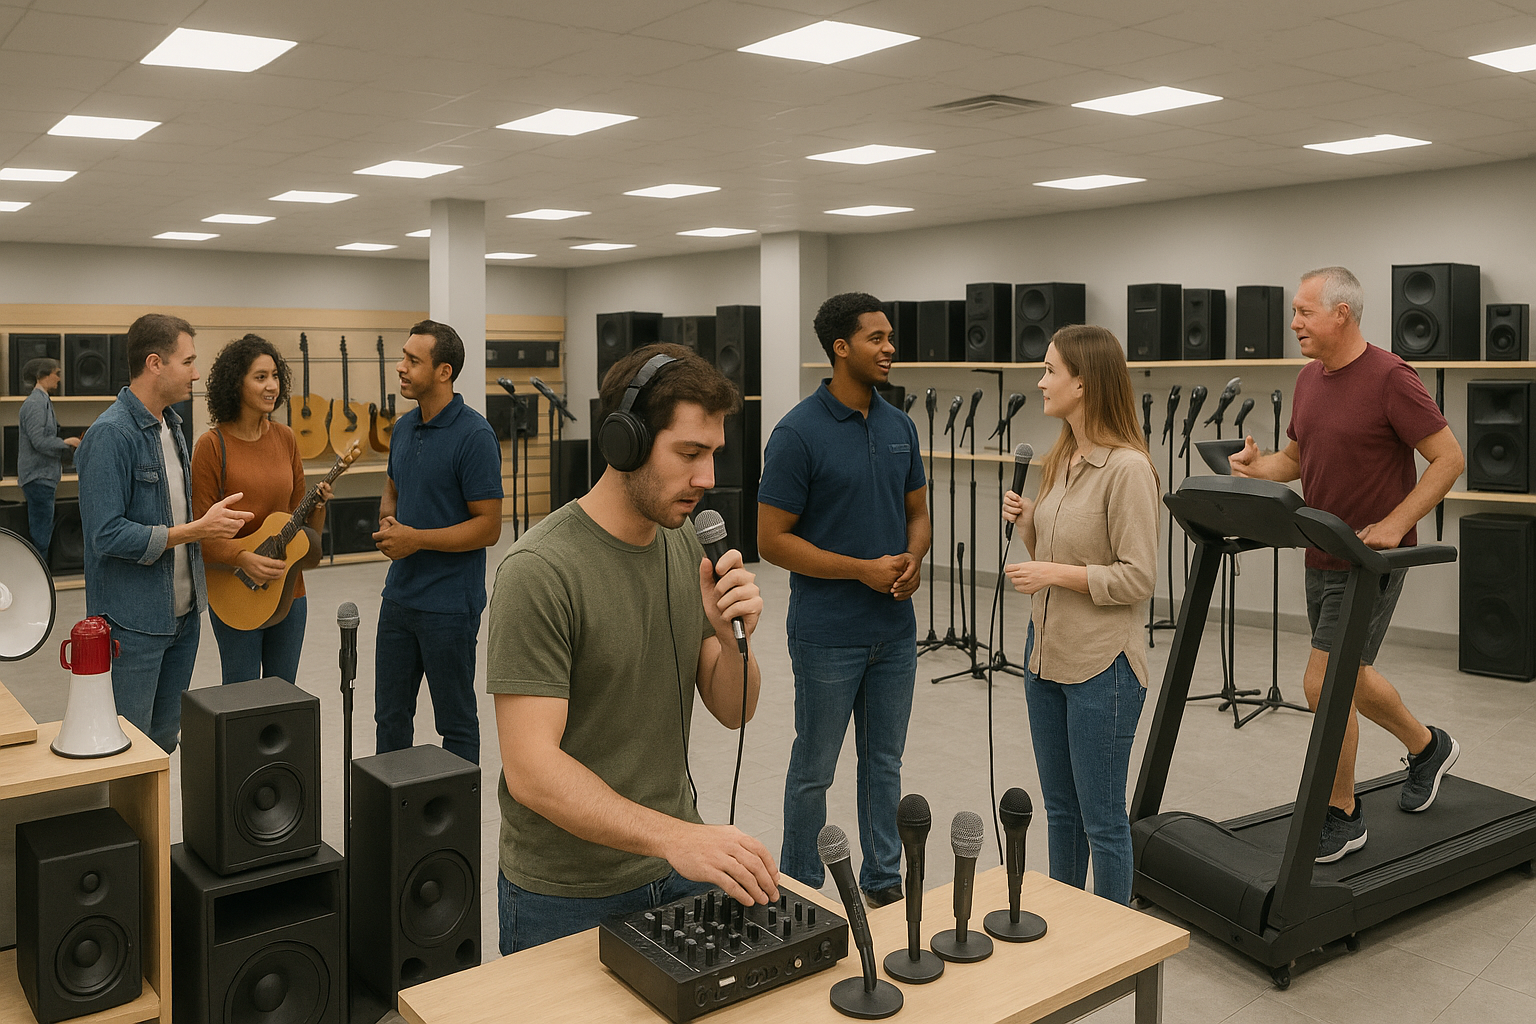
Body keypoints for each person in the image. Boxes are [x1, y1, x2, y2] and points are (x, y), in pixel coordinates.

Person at [486, 342, 778, 954]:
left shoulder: (681, 543)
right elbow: (531, 771)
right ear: (625, 443)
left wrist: (732, 643)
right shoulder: (540, 570)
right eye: (689, 454)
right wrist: (674, 837)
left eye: (714, 455)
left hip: (674, 866)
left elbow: (734, 709)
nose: (708, 479)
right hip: (567, 891)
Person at [1230, 266, 1464, 863]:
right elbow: (1296, 459)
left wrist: (1393, 524)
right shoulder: (1310, 379)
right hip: (1321, 550)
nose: (1294, 323)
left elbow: (1447, 458)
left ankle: (1343, 815)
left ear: (1343, 313)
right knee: (1350, 675)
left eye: (1305, 312)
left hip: (1370, 560)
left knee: (1323, 683)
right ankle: (1427, 746)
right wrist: (1259, 466)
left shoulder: (1391, 378)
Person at [758, 291, 930, 908]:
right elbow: (771, 541)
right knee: (815, 771)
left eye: (890, 337)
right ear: (840, 347)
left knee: (884, 765)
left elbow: (918, 513)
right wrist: (859, 570)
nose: (889, 349)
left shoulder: (899, 425)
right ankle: (799, 884)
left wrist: (914, 559)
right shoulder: (796, 433)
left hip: (895, 632)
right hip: (828, 633)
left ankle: (884, 881)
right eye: (876, 339)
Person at [1000, 324, 1158, 906]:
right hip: (1045, 659)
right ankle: (1066, 933)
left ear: (1082, 385)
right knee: (1061, 813)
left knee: (1102, 822)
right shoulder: (1062, 459)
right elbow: (1053, 555)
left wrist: (1054, 574)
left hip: (1102, 670)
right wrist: (1028, 524)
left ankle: (1113, 948)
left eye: (1050, 371)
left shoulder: (1128, 470)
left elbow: (1139, 577)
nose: (1041, 382)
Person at [75, 313, 251, 752]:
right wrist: (194, 530)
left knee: (161, 745)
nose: (196, 373)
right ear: (155, 363)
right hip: (131, 626)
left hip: (183, 619)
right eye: (187, 361)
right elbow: (106, 535)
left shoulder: (172, 426)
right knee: (125, 747)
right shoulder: (110, 435)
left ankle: (151, 825)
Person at [373, 319, 502, 766]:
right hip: (399, 599)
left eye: (413, 360)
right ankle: (388, 823)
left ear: (444, 372)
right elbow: (392, 486)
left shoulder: (475, 436)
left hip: (449, 605)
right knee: (389, 718)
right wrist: (389, 519)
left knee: (456, 722)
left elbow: (489, 527)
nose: (400, 367)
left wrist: (416, 539)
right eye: (403, 357)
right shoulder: (404, 427)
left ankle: (456, 830)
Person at [191, 335, 332, 685]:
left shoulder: (286, 438)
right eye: (260, 377)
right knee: (241, 700)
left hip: (290, 590)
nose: (272, 386)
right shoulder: (211, 446)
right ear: (235, 384)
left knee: (283, 697)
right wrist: (243, 558)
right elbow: (200, 533)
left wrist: (319, 508)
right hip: (234, 589)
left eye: (274, 376)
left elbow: (301, 526)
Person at [16, 357, 79, 563]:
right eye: (56, 373)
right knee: (41, 536)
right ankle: (40, 582)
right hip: (38, 477)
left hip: (43, 477)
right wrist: (65, 442)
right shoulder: (35, 403)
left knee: (42, 532)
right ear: (42, 375)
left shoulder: (41, 401)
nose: (59, 378)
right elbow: (39, 441)